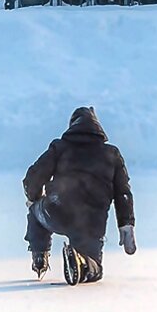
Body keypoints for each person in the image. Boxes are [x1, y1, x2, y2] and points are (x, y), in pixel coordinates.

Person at [22, 105, 136, 285]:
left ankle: (39, 257)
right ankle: (82, 263)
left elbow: (33, 176)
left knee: (36, 212)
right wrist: (126, 224)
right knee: (95, 270)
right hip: (92, 221)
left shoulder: (60, 147)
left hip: (57, 210)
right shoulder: (111, 154)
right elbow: (123, 193)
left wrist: (33, 198)